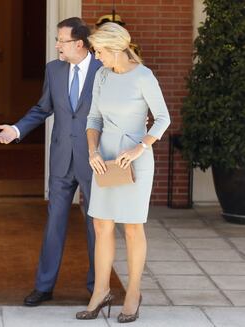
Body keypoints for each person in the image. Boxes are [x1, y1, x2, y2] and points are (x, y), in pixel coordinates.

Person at [0, 17, 102, 306]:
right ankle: (44, 286)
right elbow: (43, 108)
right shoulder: (53, 70)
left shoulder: (104, 69)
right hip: (61, 158)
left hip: (95, 159)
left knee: (96, 225)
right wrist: (16, 129)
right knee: (54, 222)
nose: (57, 45)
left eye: (61, 40)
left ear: (79, 43)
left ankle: (97, 287)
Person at [75, 23, 170, 322]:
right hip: (104, 160)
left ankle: (133, 293)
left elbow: (163, 119)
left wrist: (140, 148)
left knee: (131, 227)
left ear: (116, 49)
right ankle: (101, 291)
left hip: (134, 161)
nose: (97, 57)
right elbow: (93, 118)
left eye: (99, 51)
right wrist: (92, 151)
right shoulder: (102, 75)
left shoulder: (144, 76)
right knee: (101, 226)